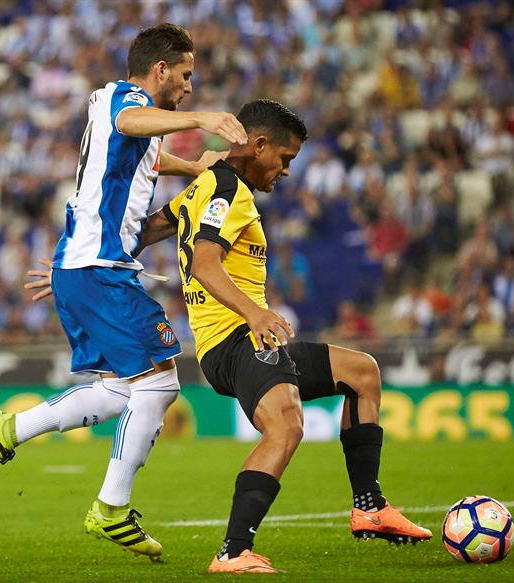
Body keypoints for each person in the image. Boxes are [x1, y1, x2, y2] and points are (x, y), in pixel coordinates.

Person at [0, 23, 248, 562]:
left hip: (86, 265)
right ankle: (111, 508)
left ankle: (7, 430)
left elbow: (140, 150)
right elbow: (131, 120)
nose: (190, 87)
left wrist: (191, 166)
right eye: (186, 76)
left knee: (124, 391)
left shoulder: (129, 118)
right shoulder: (126, 98)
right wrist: (202, 120)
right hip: (95, 267)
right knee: (161, 381)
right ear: (160, 68)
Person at [140, 100, 431, 573]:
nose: (286, 171)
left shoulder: (207, 186)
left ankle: (370, 506)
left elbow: (156, 226)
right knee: (287, 426)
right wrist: (255, 312)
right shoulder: (227, 190)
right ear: (257, 145)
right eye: (285, 158)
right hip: (235, 340)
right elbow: (204, 263)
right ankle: (233, 552)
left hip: (241, 339)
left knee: (362, 372)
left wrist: (86, 266)